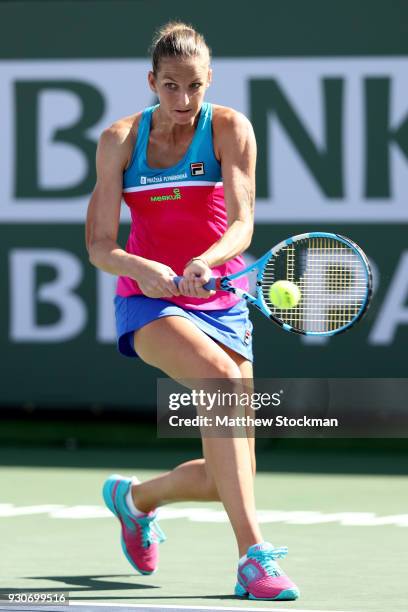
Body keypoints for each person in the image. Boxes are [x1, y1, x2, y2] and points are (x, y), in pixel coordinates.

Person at [85, 21, 299, 601]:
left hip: (222, 299)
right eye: (172, 86)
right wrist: (143, 269)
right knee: (221, 380)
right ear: (152, 81)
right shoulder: (119, 140)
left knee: (230, 476)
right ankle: (253, 558)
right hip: (149, 303)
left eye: (195, 87)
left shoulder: (230, 128)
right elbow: (100, 244)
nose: (183, 101)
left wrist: (206, 259)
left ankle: (132, 501)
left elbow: (242, 223)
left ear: (211, 81)